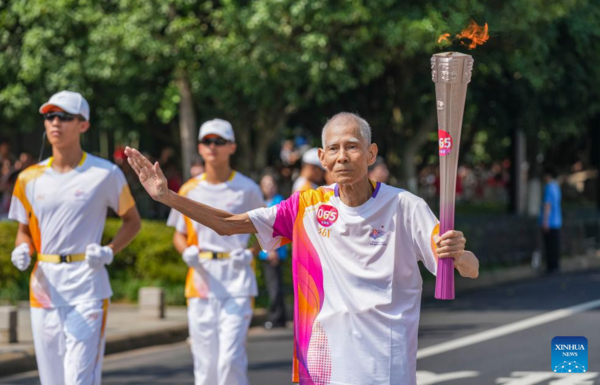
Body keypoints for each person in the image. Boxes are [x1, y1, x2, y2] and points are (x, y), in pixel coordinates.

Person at [125, 112, 479, 385]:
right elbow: (228, 224)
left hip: (384, 364)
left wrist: (460, 254)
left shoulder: (406, 207)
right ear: (323, 158)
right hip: (322, 362)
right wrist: (167, 196)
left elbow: (469, 269)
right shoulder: (305, 207)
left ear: (370, 153)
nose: (343, 156)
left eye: (353, 146)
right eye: (335, 149)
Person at [9, 90, 141, 385]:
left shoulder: (105, 173)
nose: (55, 123)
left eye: (64, 117)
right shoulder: (28, 178)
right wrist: (22, 248)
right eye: (50, 116)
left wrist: (109, 250)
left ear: (83, 125)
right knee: (52, 380)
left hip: (87, 286)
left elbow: (132, 221)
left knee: (79, 379)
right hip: (45, 288)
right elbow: (23, 230)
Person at [166, 118, 265, 385]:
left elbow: (269, 231)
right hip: (201, 281)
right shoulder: (188, 190)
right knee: (205, 360)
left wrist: (251, 252)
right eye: (207, 141)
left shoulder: (248, 189)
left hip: (237, 279)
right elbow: (179, 233)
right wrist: (186, 251)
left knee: (230, 358)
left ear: (231, 147)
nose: (212, 147)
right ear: (200, 147)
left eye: (219, 142)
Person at [258, 174, 288, 329]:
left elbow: (278, 228)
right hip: (265, 251)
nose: (268, 187)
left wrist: (274, 250)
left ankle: (276, 317)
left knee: (274, 286)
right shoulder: (262, 202)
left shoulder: (279, 202)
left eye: (271, 184)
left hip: (273, 251)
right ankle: (280, 317)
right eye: (265, 184)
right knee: (274, 285)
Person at [539, 166, 562, 273]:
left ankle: (550, 267)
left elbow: (547, 205)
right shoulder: (556, 186)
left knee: (549, 246)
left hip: (550, 221)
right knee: (555, 245)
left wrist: (545, 221)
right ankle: (555, 265)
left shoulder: (548, 187)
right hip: (557, 221)